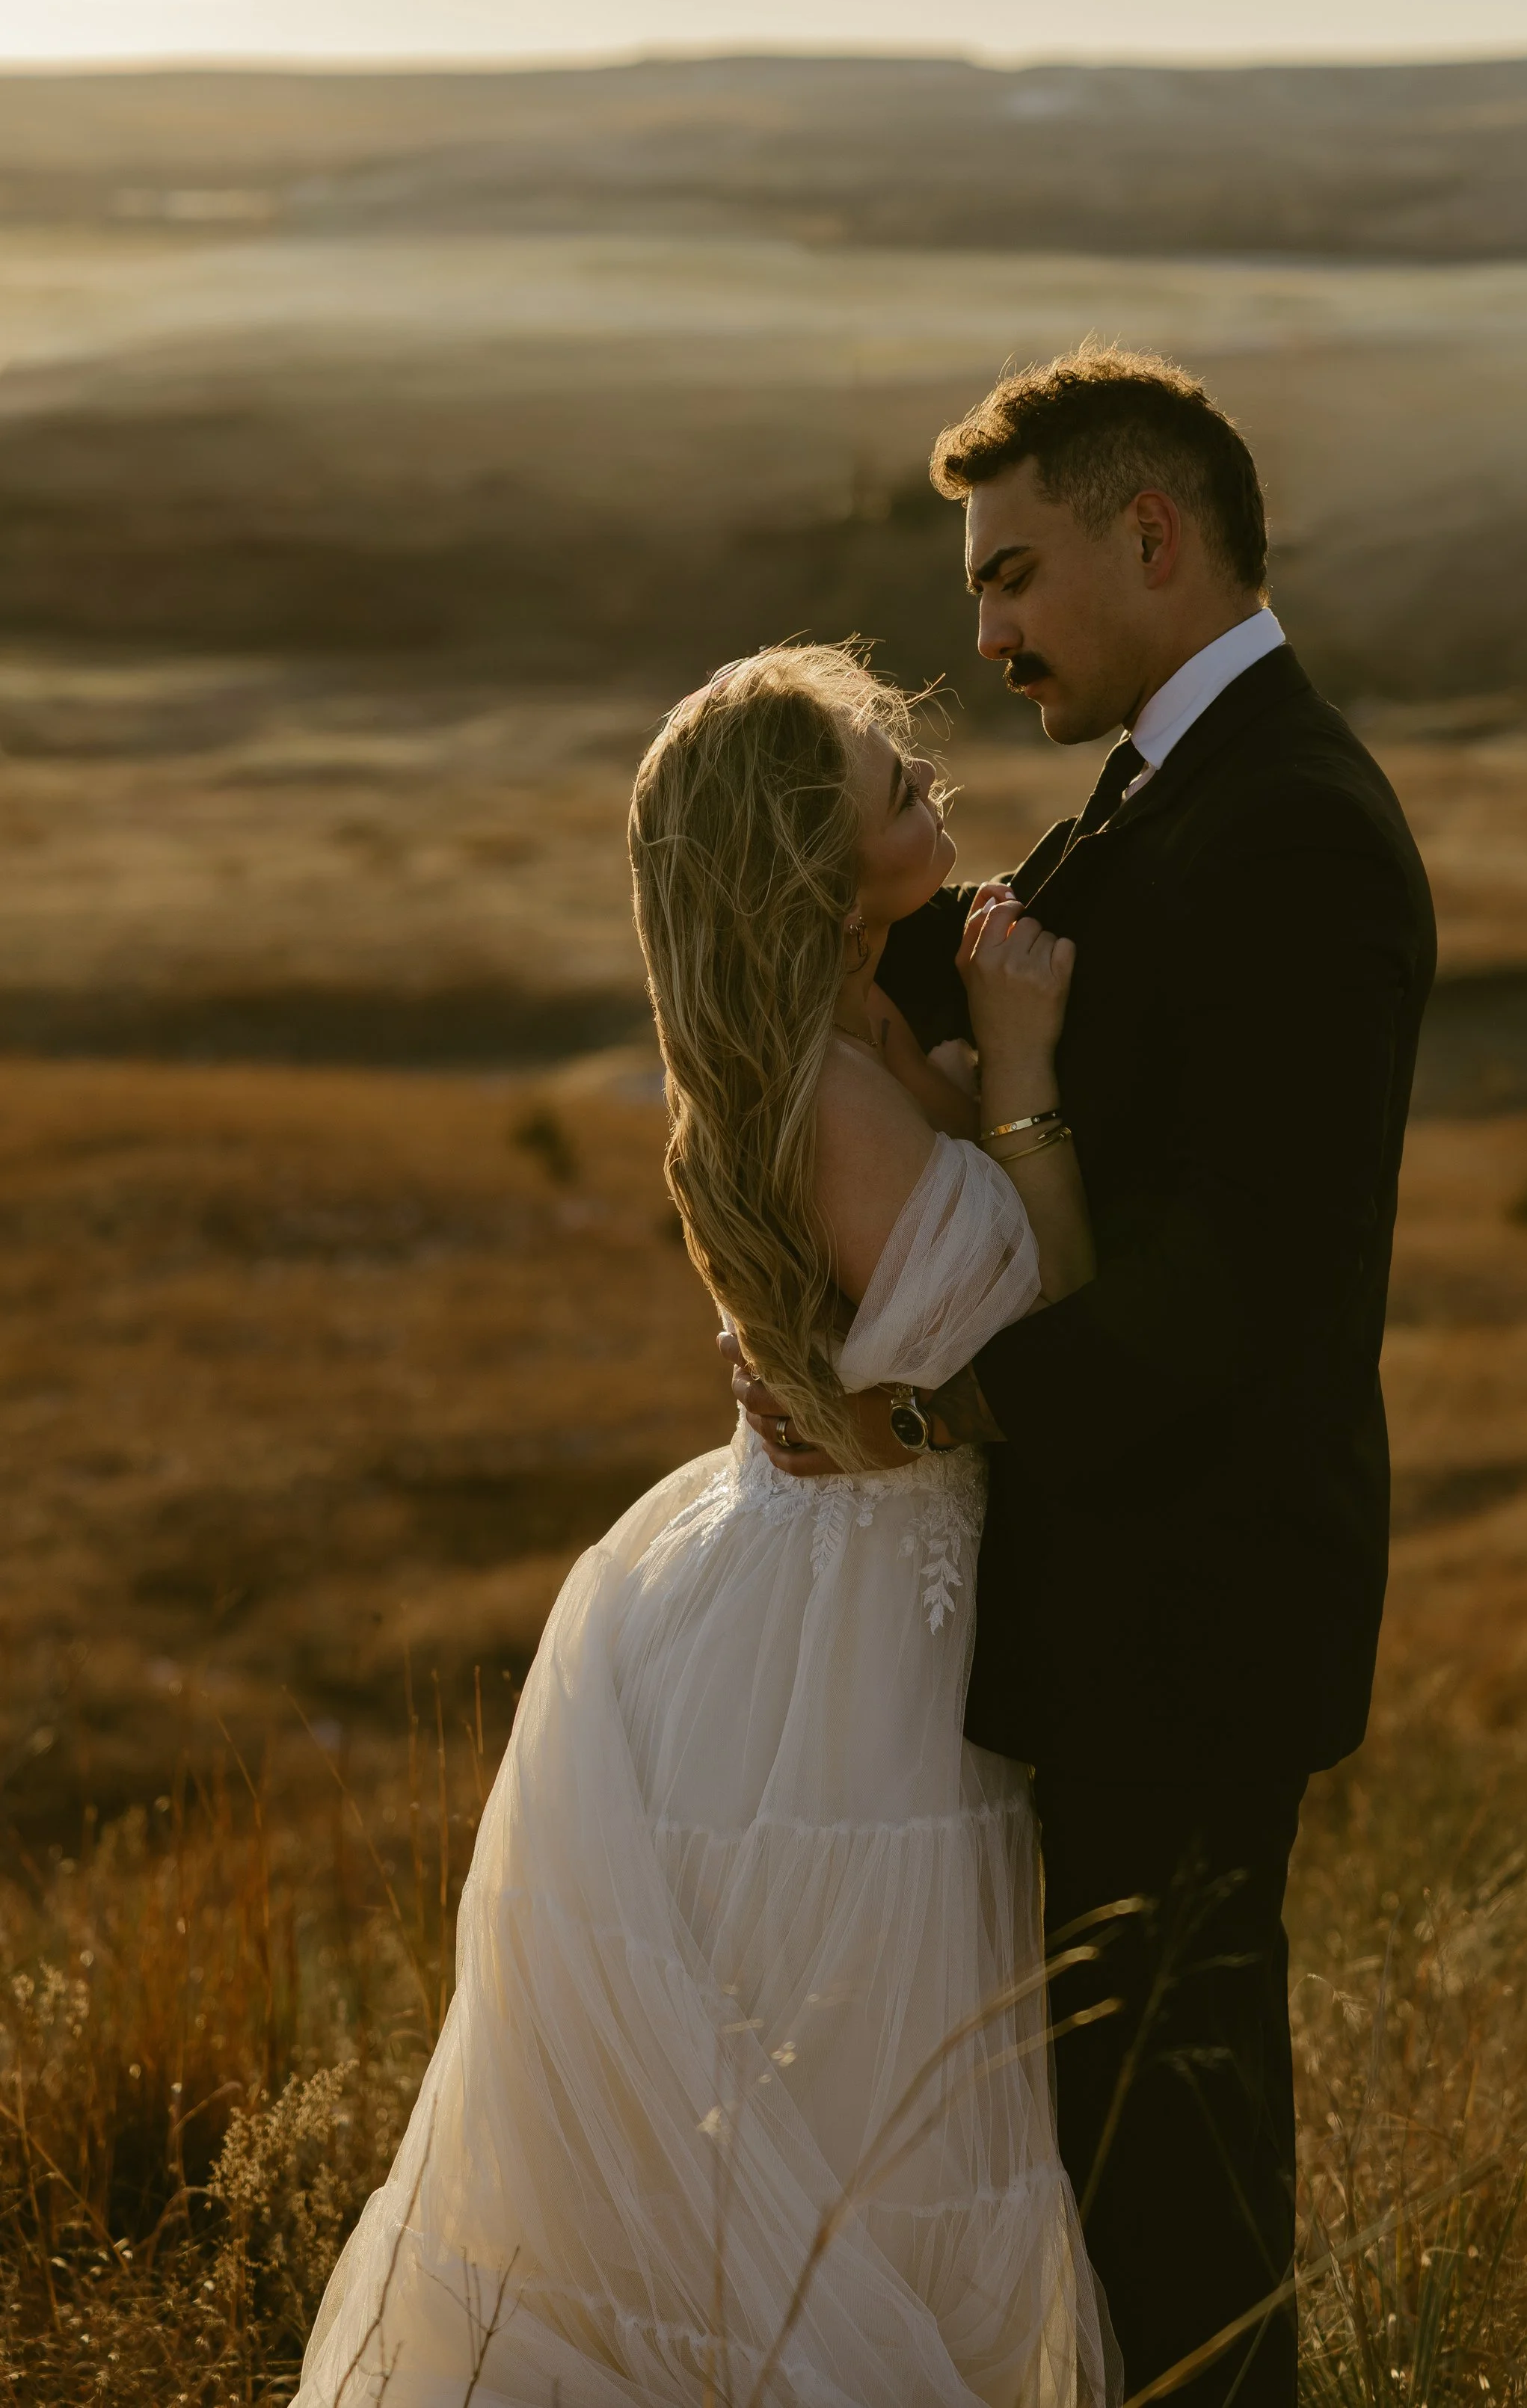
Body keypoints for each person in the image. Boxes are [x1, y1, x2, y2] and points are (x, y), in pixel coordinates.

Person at [291, 643, 1113, 2408]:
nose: (910, 763)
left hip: (838, 1578)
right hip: (834, 1644)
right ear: (795, 853)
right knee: (846, 2130)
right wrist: (1028, 1059)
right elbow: (1049, 1305)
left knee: (844, 2126)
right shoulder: (822, 1095)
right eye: (864, 768)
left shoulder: (850, 1019)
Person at [734, 350, 1438, 2404]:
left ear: (1155, 535)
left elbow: (1252, 1279)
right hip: (1122, 1600)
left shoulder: (1291, 825)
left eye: (1017, 574)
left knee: (1180, 2173)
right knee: (1117, 2153)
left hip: (1200, 1605)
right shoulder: (1162, 790)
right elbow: (986, 965)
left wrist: (937, 1412)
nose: (988, 632)